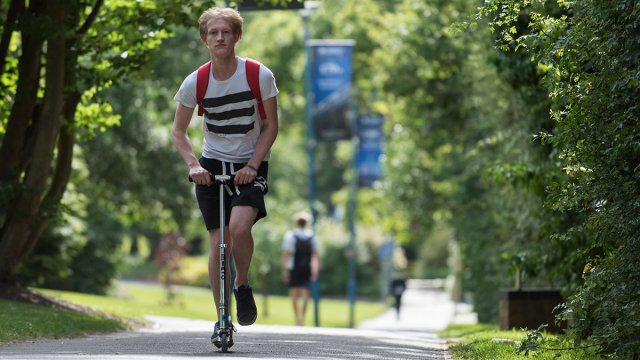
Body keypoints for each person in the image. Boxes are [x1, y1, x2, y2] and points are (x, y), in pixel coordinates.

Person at [171, 6, 279, 348]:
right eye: (213, 33)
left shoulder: (258, 75)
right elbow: (178, 131)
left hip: (250, 163)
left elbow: (271, 126)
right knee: (219, 246)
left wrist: (252, 165)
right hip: (211, 167)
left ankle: (242, 283)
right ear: (205, 39)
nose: (220, 37)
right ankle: (222, 318)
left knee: (239, 228)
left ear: (237, 36)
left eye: (226, 32)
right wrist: (193, 165)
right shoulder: (196, 81)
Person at [281, 211, 320, 326]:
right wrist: (315, 270)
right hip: (306, 267)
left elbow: (286, 254)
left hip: (294, 267)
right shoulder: (312, 237)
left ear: (296, 223)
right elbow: (315, 255)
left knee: (294, 294)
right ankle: (302, 318)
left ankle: (296, 319)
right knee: (305, 294)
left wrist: (284, 271)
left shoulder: (290, 236)